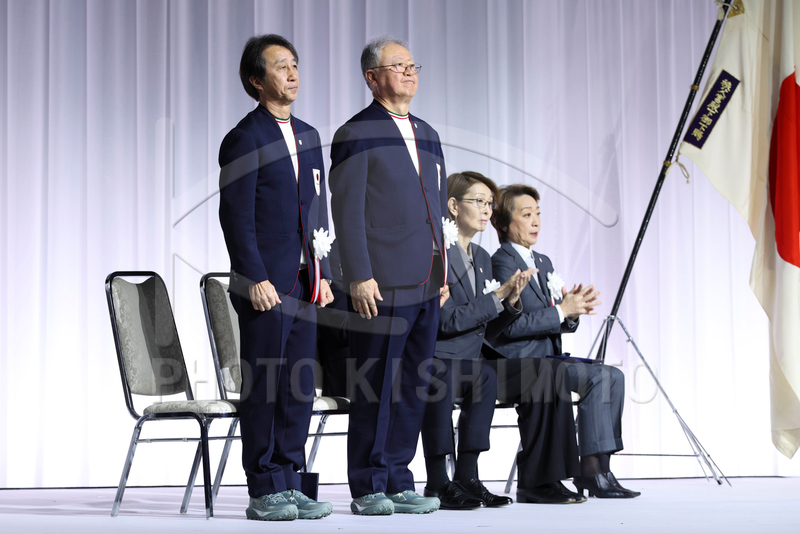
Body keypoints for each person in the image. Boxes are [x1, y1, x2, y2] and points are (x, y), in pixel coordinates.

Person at [218, 34, 335, 521]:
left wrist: (324, 272)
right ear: (256, 80)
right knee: (265, 386)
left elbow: (318, 210)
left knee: (298, 387)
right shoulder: (245, 137)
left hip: (307, 282)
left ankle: (292, 481)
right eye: (280, 66)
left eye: (295, 64)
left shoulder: (308, 135)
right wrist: (253, 277)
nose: (292, 73)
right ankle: (264, 488)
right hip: (266, 285)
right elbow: (235, 217)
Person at [329, 37, 447, 516]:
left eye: (412, 65)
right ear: (372, 78)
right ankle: (369, 483)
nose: (409, 72)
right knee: (377, 385)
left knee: (413, 386)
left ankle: (399, 478)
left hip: (426, 280)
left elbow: (436, 208)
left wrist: (443, 270)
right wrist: (358, 275)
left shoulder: (428, 133)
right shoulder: (357, 132)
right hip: (381, 280)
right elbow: (347, 211)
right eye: (398, 65)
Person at [491, 184, 640, 499]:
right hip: (520, 363)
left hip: (550, 359)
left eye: (538, 214)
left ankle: (598, 468)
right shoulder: (501, 262)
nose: (536, 221)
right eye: (526, 214)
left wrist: (572, 312)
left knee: (610, 376)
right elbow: (509, 326)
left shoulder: (542, 261)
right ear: (502, 223)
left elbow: (554, 318)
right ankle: (590, 472)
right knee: (593, 378)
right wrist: (561, 311)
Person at [421, 171, 530, 509]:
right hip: (437, 354)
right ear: (453, 206)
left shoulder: (482, 257)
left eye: (490, 204)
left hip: (469, 356)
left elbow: (484, 328)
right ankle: (438, 481)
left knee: (485, 374)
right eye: (479, 201)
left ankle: (468, 476)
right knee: (442, 375)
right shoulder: (435, 252)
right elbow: (445, 320)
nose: (486, 210)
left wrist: (510, 303)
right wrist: (496, 297)